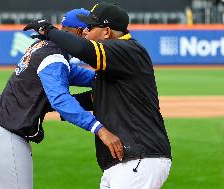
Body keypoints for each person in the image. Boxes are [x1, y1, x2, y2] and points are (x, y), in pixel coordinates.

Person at [23, 2, 172, 189]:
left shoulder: (127, 49)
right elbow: (96, 99)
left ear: (107, 32)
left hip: (139, 157)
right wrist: (48, 106)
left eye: (90, 27)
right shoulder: (116, 61)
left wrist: (48, 30)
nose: (85, 32)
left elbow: (83, 50)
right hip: (126, 161)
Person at [0, 8, 123, 189]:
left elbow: (80, 75)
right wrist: (99, 129)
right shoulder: (53, 57)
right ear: (79, 32)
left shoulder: (49, 49)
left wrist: (116, 83)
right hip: (6, 136)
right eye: (89, 29)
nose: (90, 35)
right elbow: (60, 99)